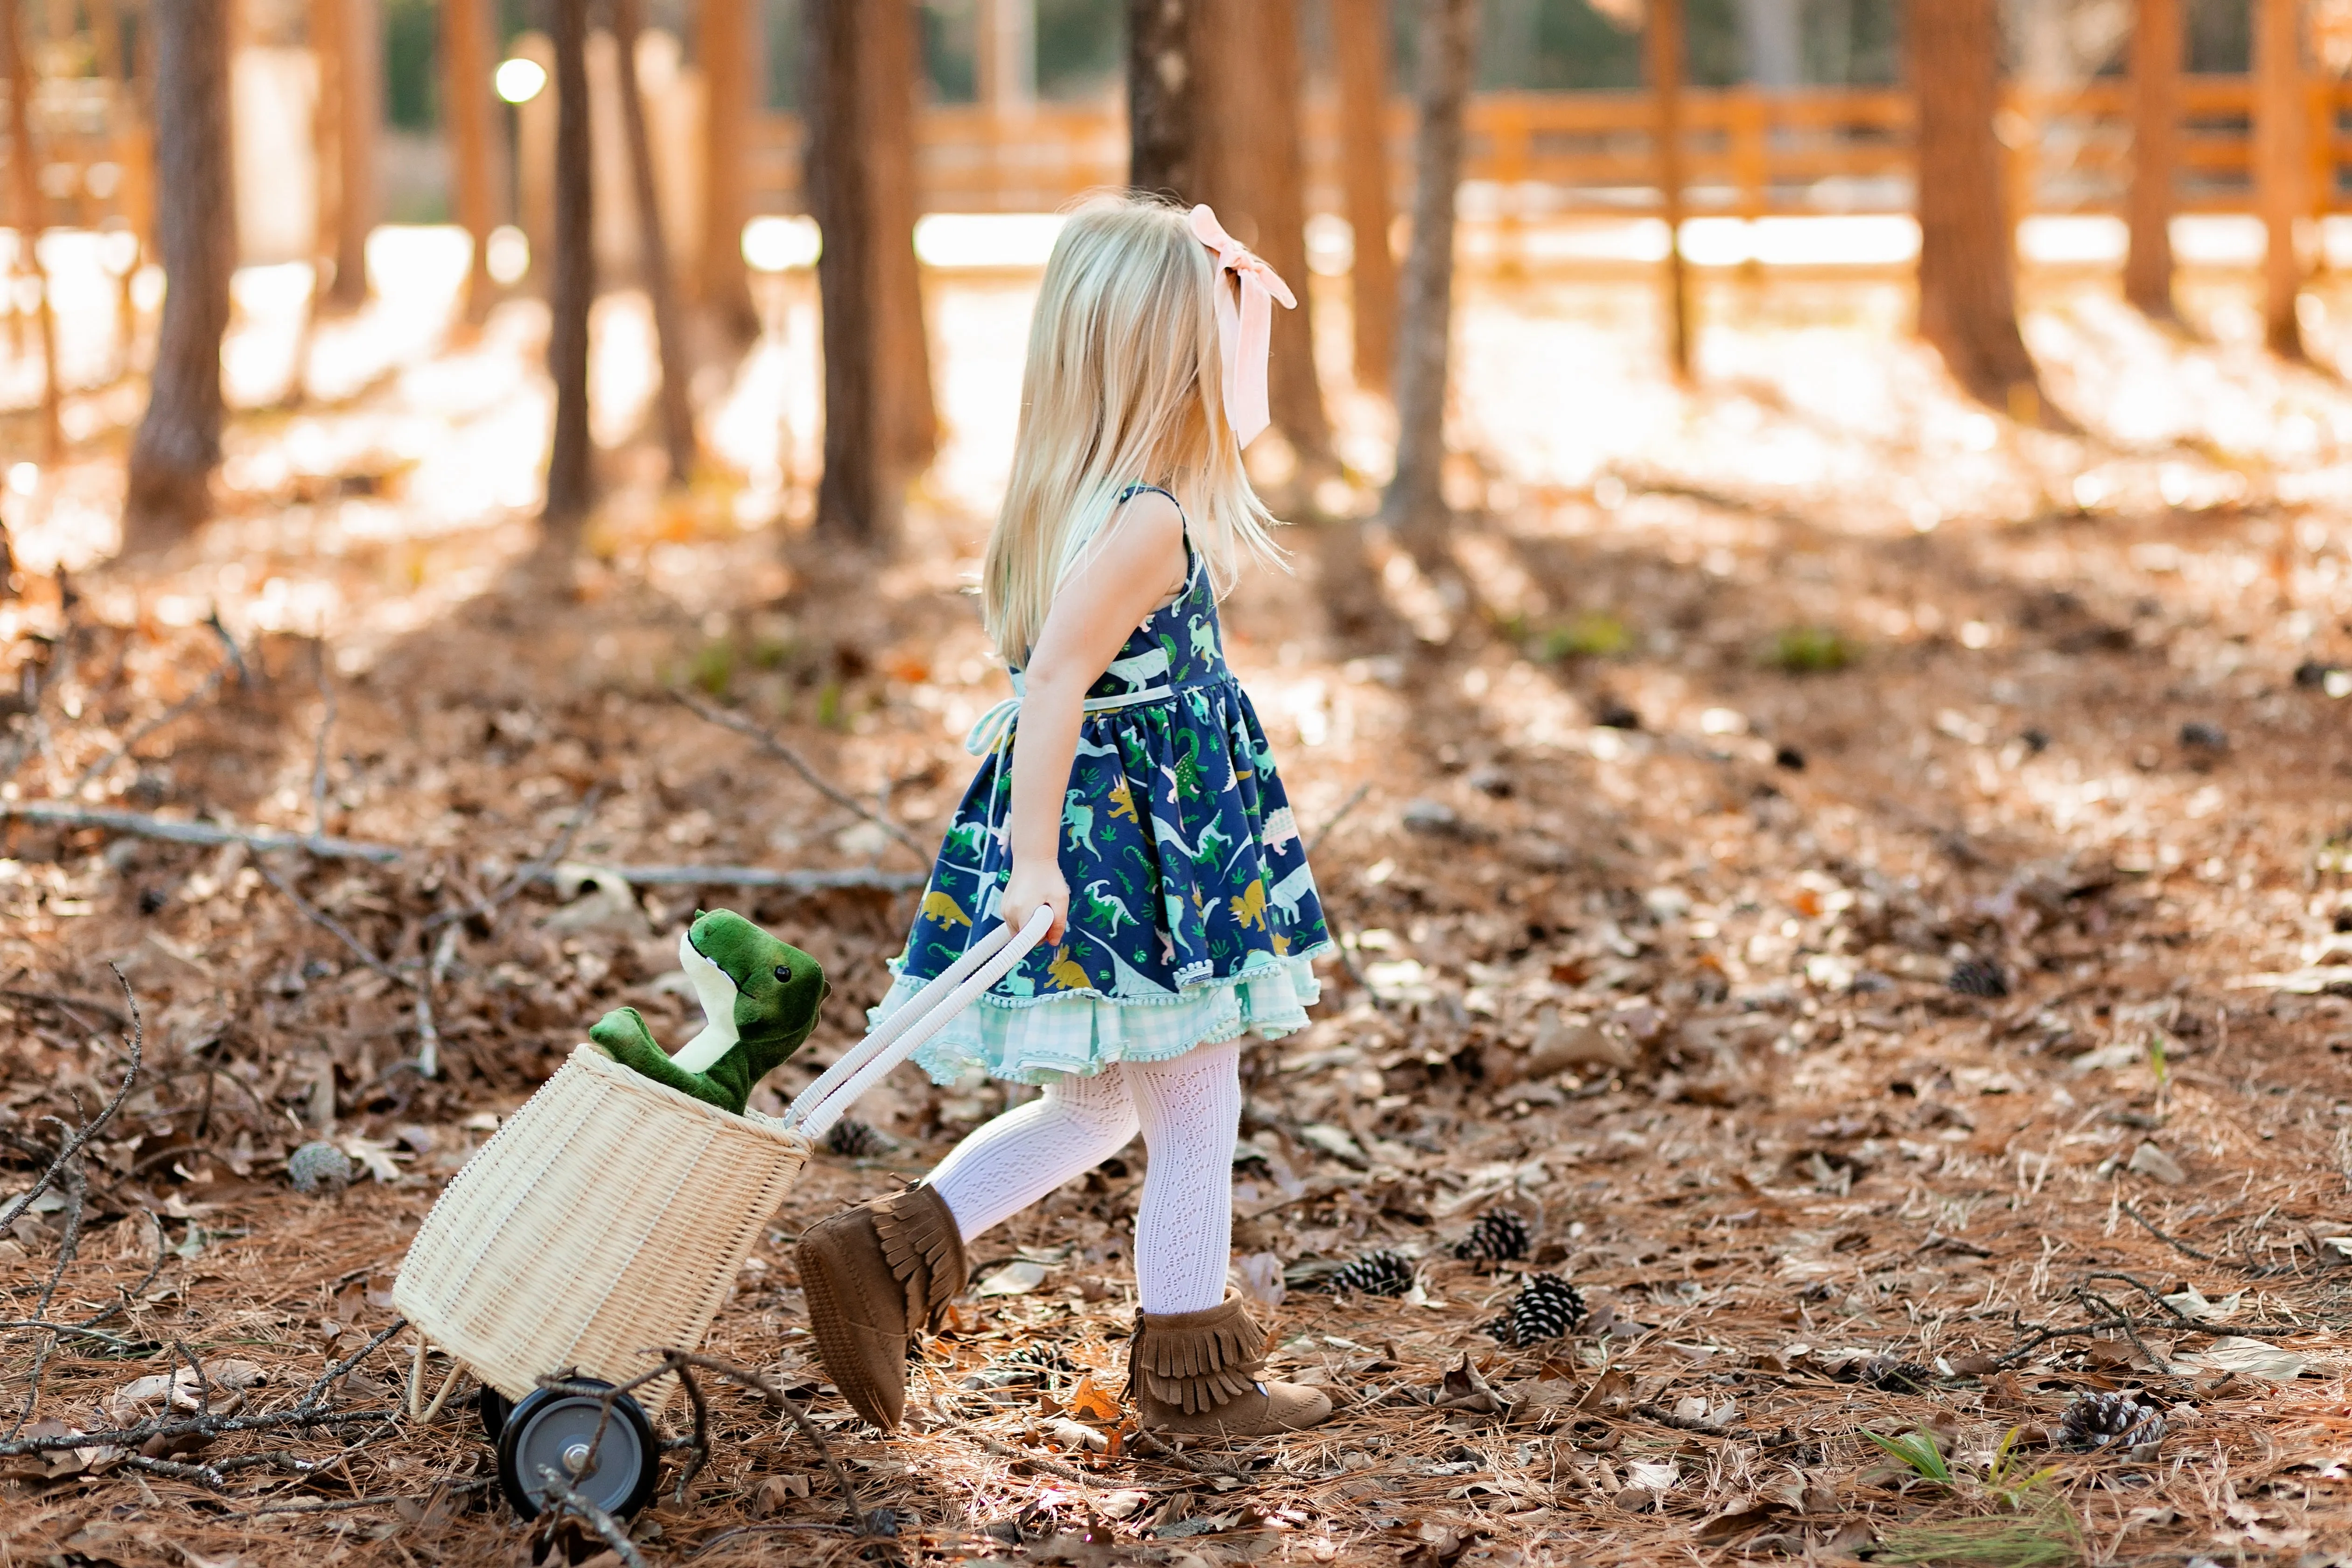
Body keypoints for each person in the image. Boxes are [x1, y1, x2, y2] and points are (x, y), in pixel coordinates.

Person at [797, 197, 1335, 1439]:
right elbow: (1052, 680)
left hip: (1132, 834)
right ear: (1166, 353)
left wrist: (1239, 293)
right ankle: (1198, 1390)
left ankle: (886, 1260)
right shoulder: (1149, 521)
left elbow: (1235, 424)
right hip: (1139, 852)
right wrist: (1035, 861)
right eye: (1212, 333)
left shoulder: (1090, 493)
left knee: (1097, 1106)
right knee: (1199, 1114)